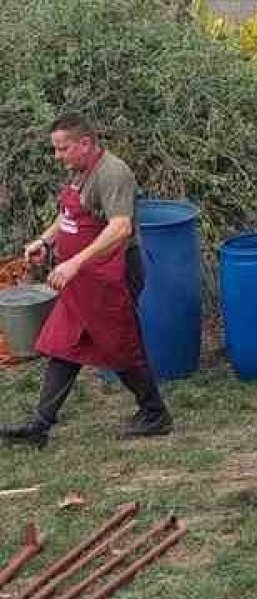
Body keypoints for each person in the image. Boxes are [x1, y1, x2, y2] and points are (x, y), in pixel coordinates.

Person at [0, 113, 172, 449]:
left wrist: (75, 263)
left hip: (112, 273)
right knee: (64, 344)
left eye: (63, 149)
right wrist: (46, 240)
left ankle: (155, 414)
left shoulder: (113, 173)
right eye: (56, 149)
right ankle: (40, 424)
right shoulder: (80, 172)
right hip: (82, 277)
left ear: (85, 143)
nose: (58, 156)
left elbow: (120, 227)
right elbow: (69, 215)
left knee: (118, 342)